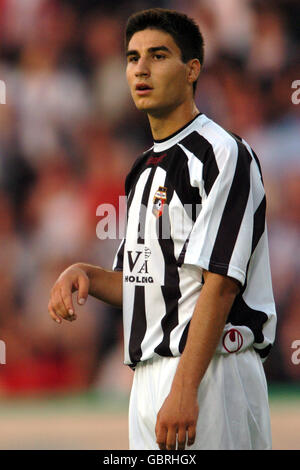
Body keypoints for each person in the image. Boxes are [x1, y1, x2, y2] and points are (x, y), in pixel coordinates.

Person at [48, 8, 277, 450]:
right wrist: (86, 274)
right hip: (149, 379)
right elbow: (144, 282)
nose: (141, 69)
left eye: (158, 55)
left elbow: (222, 282)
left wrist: (186, 388)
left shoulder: (222, 153)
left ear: (192, 69)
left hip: (211, 371)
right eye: (133, 58)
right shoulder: (142, 168)